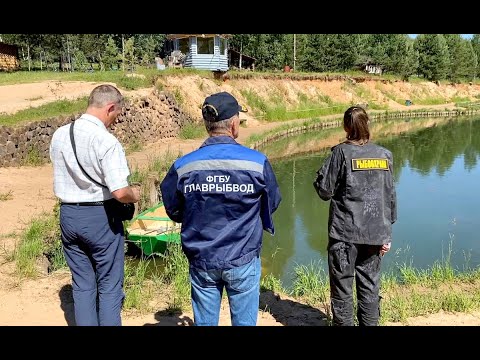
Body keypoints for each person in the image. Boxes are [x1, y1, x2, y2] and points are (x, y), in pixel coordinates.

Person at [160, 91, 282, 326]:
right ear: (234, 124)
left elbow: (173, 210)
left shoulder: (184, 166)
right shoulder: (256, 162)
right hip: (242, 257)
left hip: (201, 257)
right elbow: (272, 202)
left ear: (207, 125)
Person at [49, 84, 141, 326]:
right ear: (110, 107)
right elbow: (120, 192)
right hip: (100, 218)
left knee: (82, 285)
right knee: (110, 287)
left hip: (68, 215)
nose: (115, 121)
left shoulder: (60, 134)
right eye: (116, 115)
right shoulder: (106, 142)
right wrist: (136, 195)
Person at [313, 106, 397, 326]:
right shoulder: (384, 155)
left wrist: (320, 176)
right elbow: (390, 196)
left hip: (345, 236)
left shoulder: (340, 153)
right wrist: (387, 234)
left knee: (342, 289)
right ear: (367, 124)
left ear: (346, 126)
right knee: (370, 288)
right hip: (375, 235)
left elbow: (324, 191)